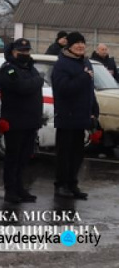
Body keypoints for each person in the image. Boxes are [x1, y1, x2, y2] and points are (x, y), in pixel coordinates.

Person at [51, 32, 99, 200]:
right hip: (67, 116)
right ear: (69, 46)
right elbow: (63, 88)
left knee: (78, 154)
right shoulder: (62, 64)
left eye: (82, 43)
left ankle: (72, 184)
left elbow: (89, 90)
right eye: (77, 43)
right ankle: (61, 185)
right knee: (65, 154)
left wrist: (94, 111)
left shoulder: (86, 62)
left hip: (82, 116)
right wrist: (83, 77)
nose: (80, 46)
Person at [0, 38, 44, 204]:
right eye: (21, 51)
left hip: (30, 120)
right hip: (15, 120)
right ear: (13, 52)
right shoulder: (8, 69)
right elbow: (21, 87)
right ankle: (10, 190)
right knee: (13, 157)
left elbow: (31, 86)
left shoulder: (30, 68)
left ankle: (20, 187)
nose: (25, 54)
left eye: (27, 51)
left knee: (24, 157)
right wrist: (38, 81)